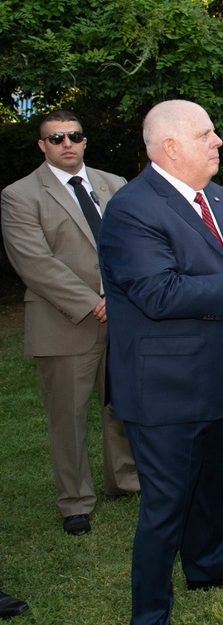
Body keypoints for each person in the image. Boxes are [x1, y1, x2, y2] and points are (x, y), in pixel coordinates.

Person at [99, 100, 223, 625]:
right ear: (171, 146)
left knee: (216, 485)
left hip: (217, 378)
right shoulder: (132, 208)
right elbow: (158, 293)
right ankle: (151, 613)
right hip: (163, 388)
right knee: (166, 508)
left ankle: (209, 566)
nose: (218, 142)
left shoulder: (219, 201)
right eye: (207, 134)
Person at [1, 110, 139, 536]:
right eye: (56, 137)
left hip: (123, 319)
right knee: (68, 418)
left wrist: (122, 295)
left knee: (122, 406)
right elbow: (34, 263)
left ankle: (127, 480)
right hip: (63, 323)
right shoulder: (20, 194)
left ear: (84, 141)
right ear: (42, 146)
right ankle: (75, 501)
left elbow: (139, 243)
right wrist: (94, 302)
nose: (67, 143)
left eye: (74, 136)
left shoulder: (115, 185)